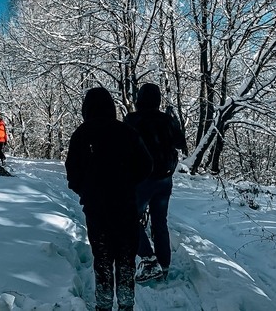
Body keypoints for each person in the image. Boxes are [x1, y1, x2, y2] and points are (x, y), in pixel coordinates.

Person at [65, 87, 152, 311]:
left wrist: (86, 190)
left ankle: (103, 305)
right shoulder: (127, 132)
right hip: (125, 205)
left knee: (102, 258)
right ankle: (126, 304)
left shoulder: (81, 134)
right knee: (125, 258)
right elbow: (146, 165)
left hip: (96, 208)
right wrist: (128, 183)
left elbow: (72, 173)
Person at [124, 83, 187, 283]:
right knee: (160, 222)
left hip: (142, 180)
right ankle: (164, 266)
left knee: (129, 219)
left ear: (139, 99)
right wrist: (174, 122)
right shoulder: (167, 120)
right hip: (165, 179)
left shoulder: (132, 119)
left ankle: (149, 260)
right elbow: (180, 144)